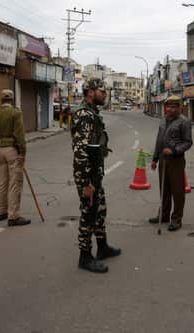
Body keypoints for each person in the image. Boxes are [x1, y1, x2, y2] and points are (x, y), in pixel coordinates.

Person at [71, 78, 121, 273]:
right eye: (102, 90)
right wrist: (86, 183)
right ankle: (85, 256)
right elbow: (81, 150)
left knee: (100, 210)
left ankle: (102, 247)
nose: (105, 93)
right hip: (87, 173)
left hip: (94, 171)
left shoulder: (92, 113)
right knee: (89, 213)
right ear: (90, 92)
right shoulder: (84, 114)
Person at [0, 89, 30, 227]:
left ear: (1, 100)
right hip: (12, 150)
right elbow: (20, 136)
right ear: (12, 99)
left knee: (3, 182)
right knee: (15, 183)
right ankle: (13, 216)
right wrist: (22, 153)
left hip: (1, 151)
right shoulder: (15, 113)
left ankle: (1, 211)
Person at [149, 96, 193, 231]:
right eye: (168, 106)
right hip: (163, 160)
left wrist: (174, 150)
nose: (170, 109)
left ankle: (176, 219)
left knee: (177, 191)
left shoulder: (184, 122)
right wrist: (155, 158)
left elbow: (188, 142)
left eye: (173, 107)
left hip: (176, 161)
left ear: (179, 107)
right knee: (164, 190)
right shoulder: (163, 120)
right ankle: (163, 215)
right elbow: (159, 140)